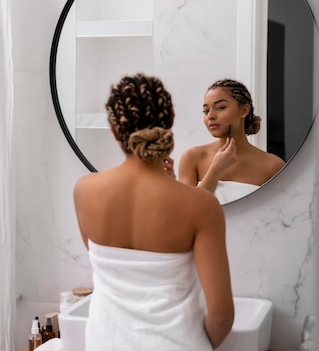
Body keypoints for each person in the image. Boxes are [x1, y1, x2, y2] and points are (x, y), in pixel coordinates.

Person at [73, 73, 234, 350]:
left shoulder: (85, 191)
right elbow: (221, 316)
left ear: (114, 130)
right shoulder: (200, 206)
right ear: (171, 120)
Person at [179, 78, 286, 203]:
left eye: (220, 107)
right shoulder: (193, 157)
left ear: (244, 110)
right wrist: (216, 169)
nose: (210, 116)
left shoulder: (272, 166)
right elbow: (185, 211)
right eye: (206, 111)